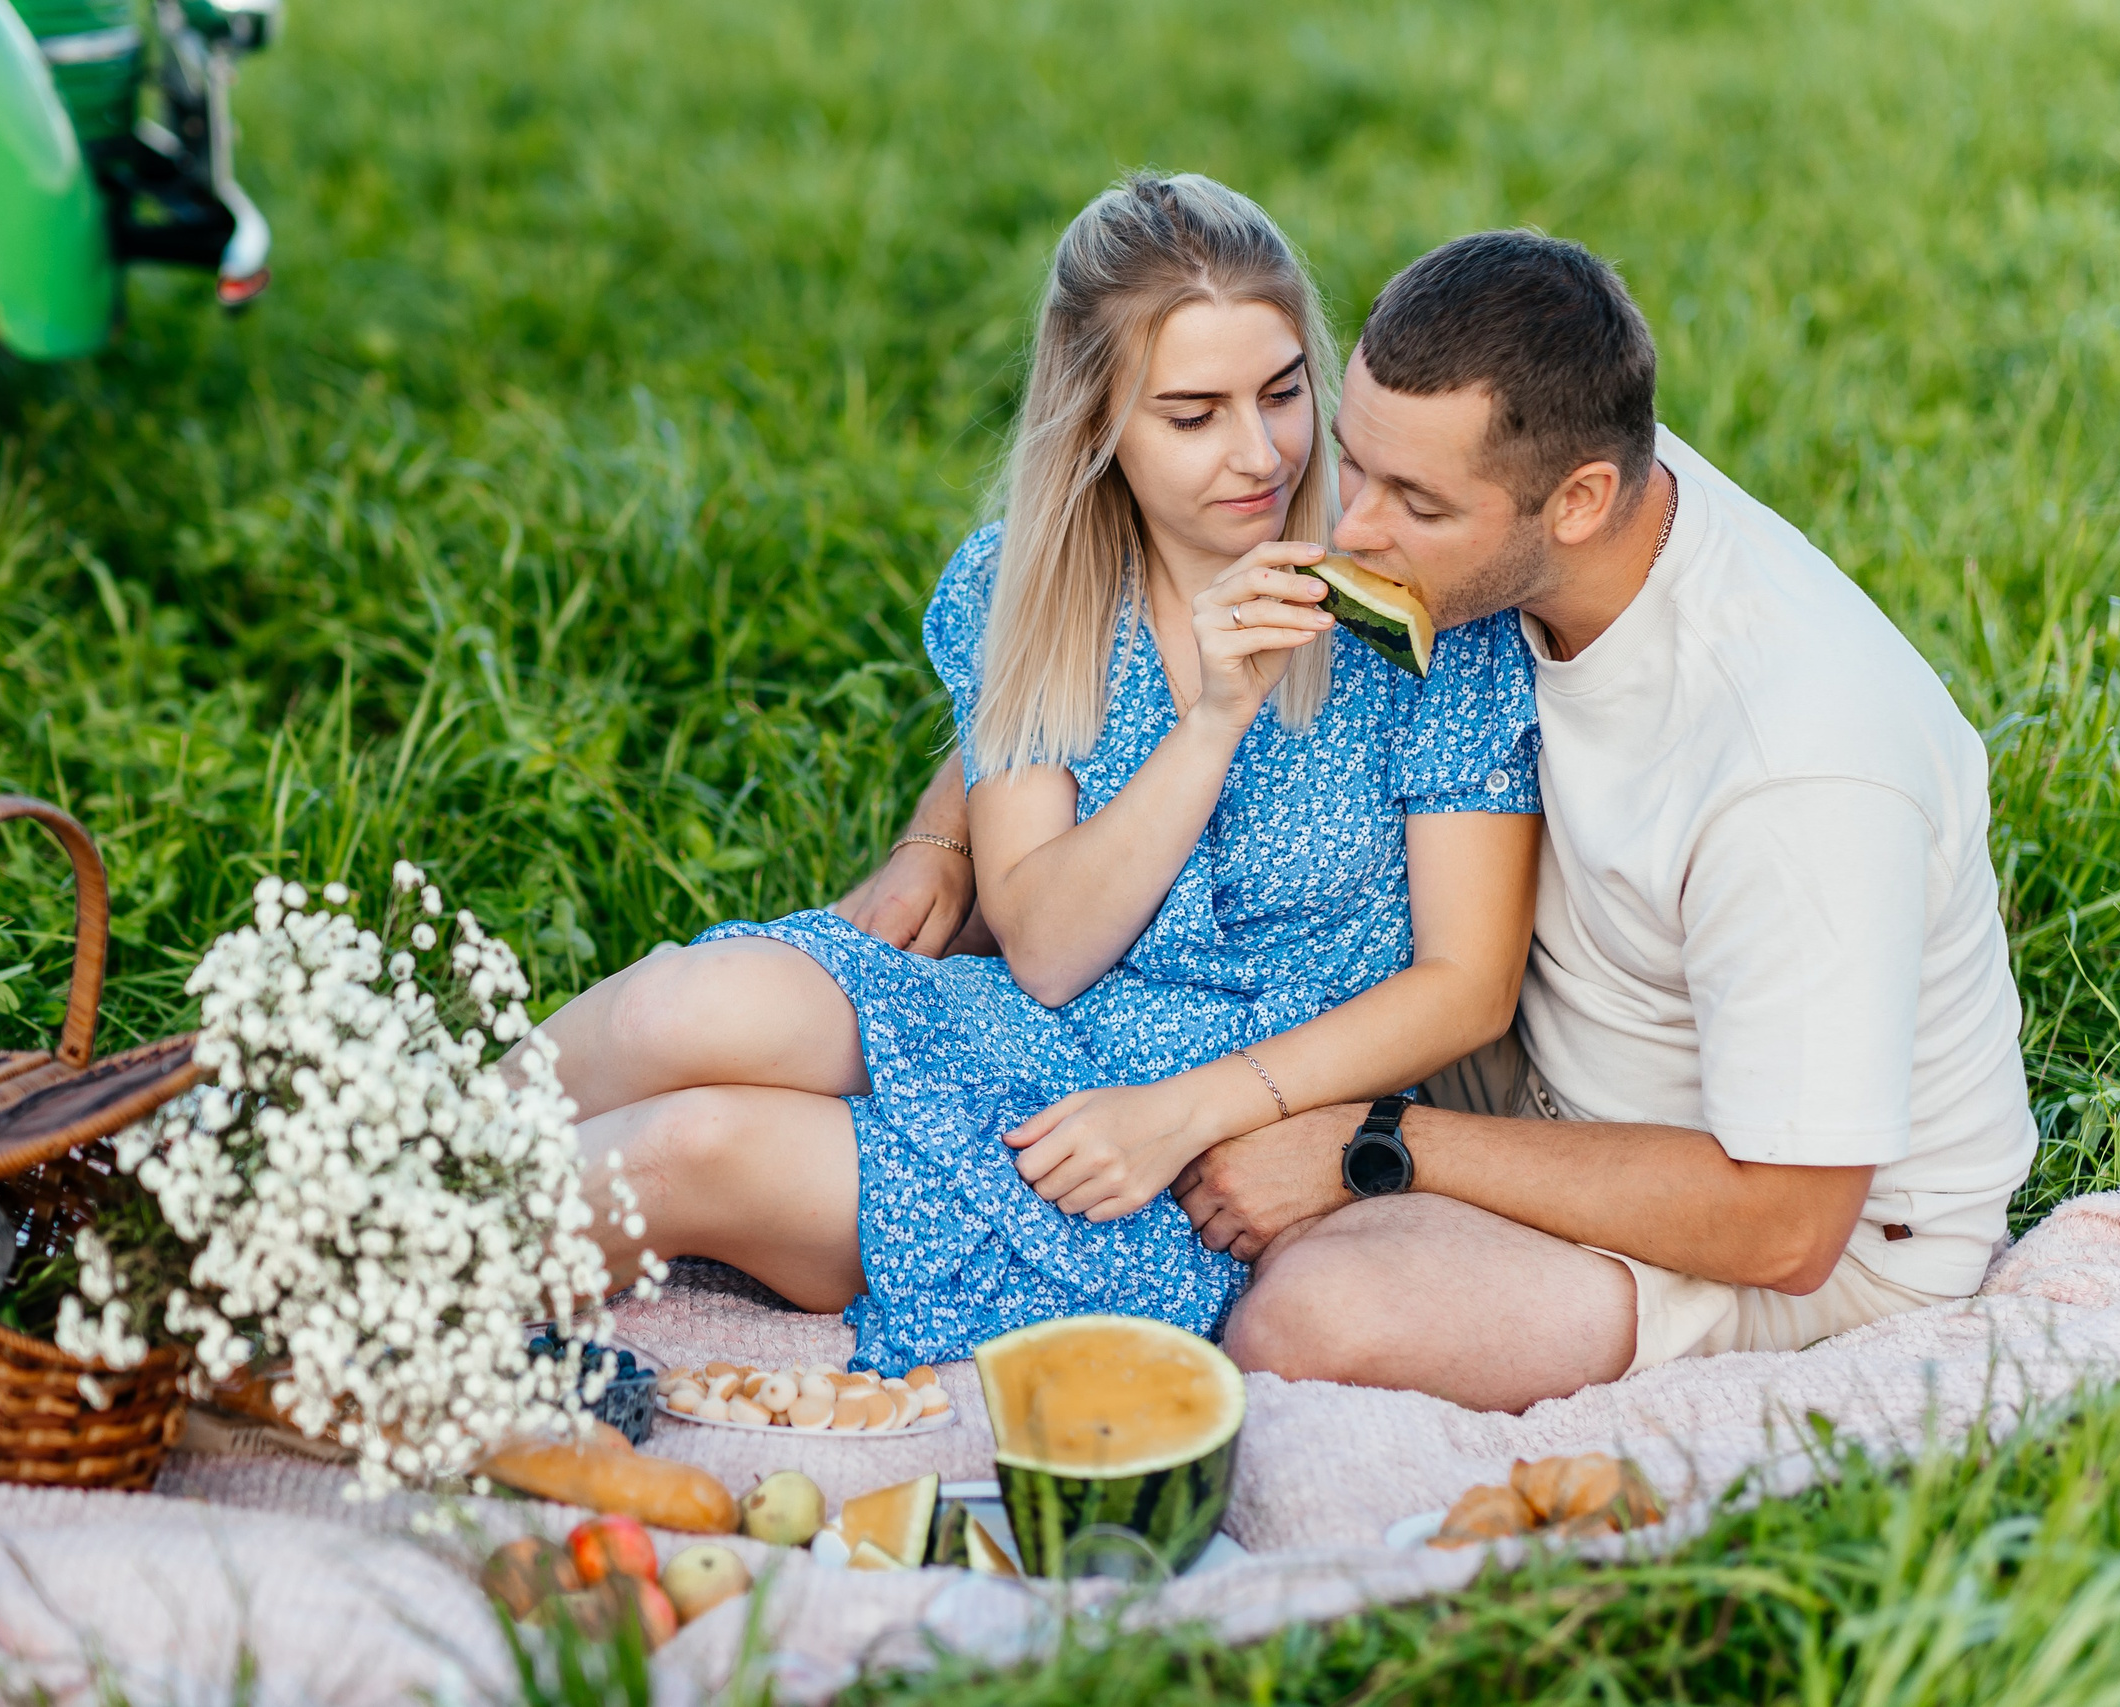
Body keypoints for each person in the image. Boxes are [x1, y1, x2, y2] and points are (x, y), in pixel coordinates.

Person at [858, 230, 2039, 1412]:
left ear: (1578, 503)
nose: (1345, 527)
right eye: (1350, 461)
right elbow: (1125, 595)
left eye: (1410, 502)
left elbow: (1784, 1224)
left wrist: (1367, 1146)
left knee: (1308, 1318)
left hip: (1786, 1239)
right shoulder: (1529, 465)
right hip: (1524, 1076)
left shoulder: (1797, 774)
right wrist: (948, 822)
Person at [537, 174, 1545, 1374]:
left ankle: (366, 1276)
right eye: (1191, 415)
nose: (1259, 453)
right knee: (675, 1009)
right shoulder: (1035, 583)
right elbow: (1050, 951)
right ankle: (362, 1153)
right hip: (1024, 1024)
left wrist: (1186, 1111)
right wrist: (1212, 721)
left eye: (1283, 394)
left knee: (693, 1150)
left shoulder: (1424, 612)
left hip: (1190, 1147)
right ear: (1097, 421)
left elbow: (1464, 987)